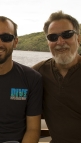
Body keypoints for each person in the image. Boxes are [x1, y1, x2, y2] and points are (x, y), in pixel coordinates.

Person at [32, 11, 81, 143]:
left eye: (67, 34)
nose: (60, 42)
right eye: (52, 37)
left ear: (79, 38)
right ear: (48, 42)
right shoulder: (38, 73)